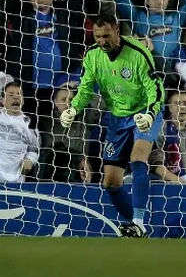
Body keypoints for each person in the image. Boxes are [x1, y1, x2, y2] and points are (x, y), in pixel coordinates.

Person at [59, 14, 164, 238]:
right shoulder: (93, 55)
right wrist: (74, 108)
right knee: (111, 183)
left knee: (138, 158)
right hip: (117, 119)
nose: (102, 41)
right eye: (97, 37)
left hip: (143, 113)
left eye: (106, 36)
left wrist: (150, 114)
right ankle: (137, 229)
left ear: (117, 31)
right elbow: (86, 88)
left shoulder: (138, 53)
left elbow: (156, 88)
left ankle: (139, 221)